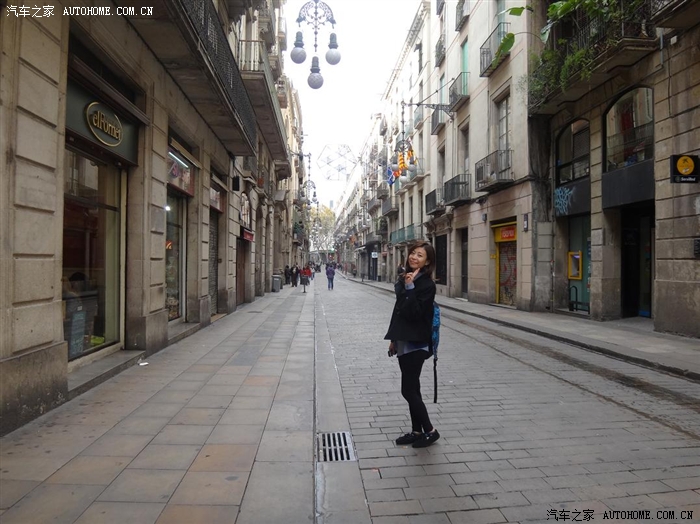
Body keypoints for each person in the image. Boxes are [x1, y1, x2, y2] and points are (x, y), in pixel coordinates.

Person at [384, 241, 440, 448]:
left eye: (420, 255)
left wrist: (410, 287)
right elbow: (398, 311)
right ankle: (417, 431)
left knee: (407, 390)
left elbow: (415, 313)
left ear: (428, 262)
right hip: (403, 340)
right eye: (413, 253)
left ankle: (430, 431)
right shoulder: (405, 278)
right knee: (413, 388)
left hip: (417, 342)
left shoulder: (427, 285)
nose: (414, 257)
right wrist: (393, 339)